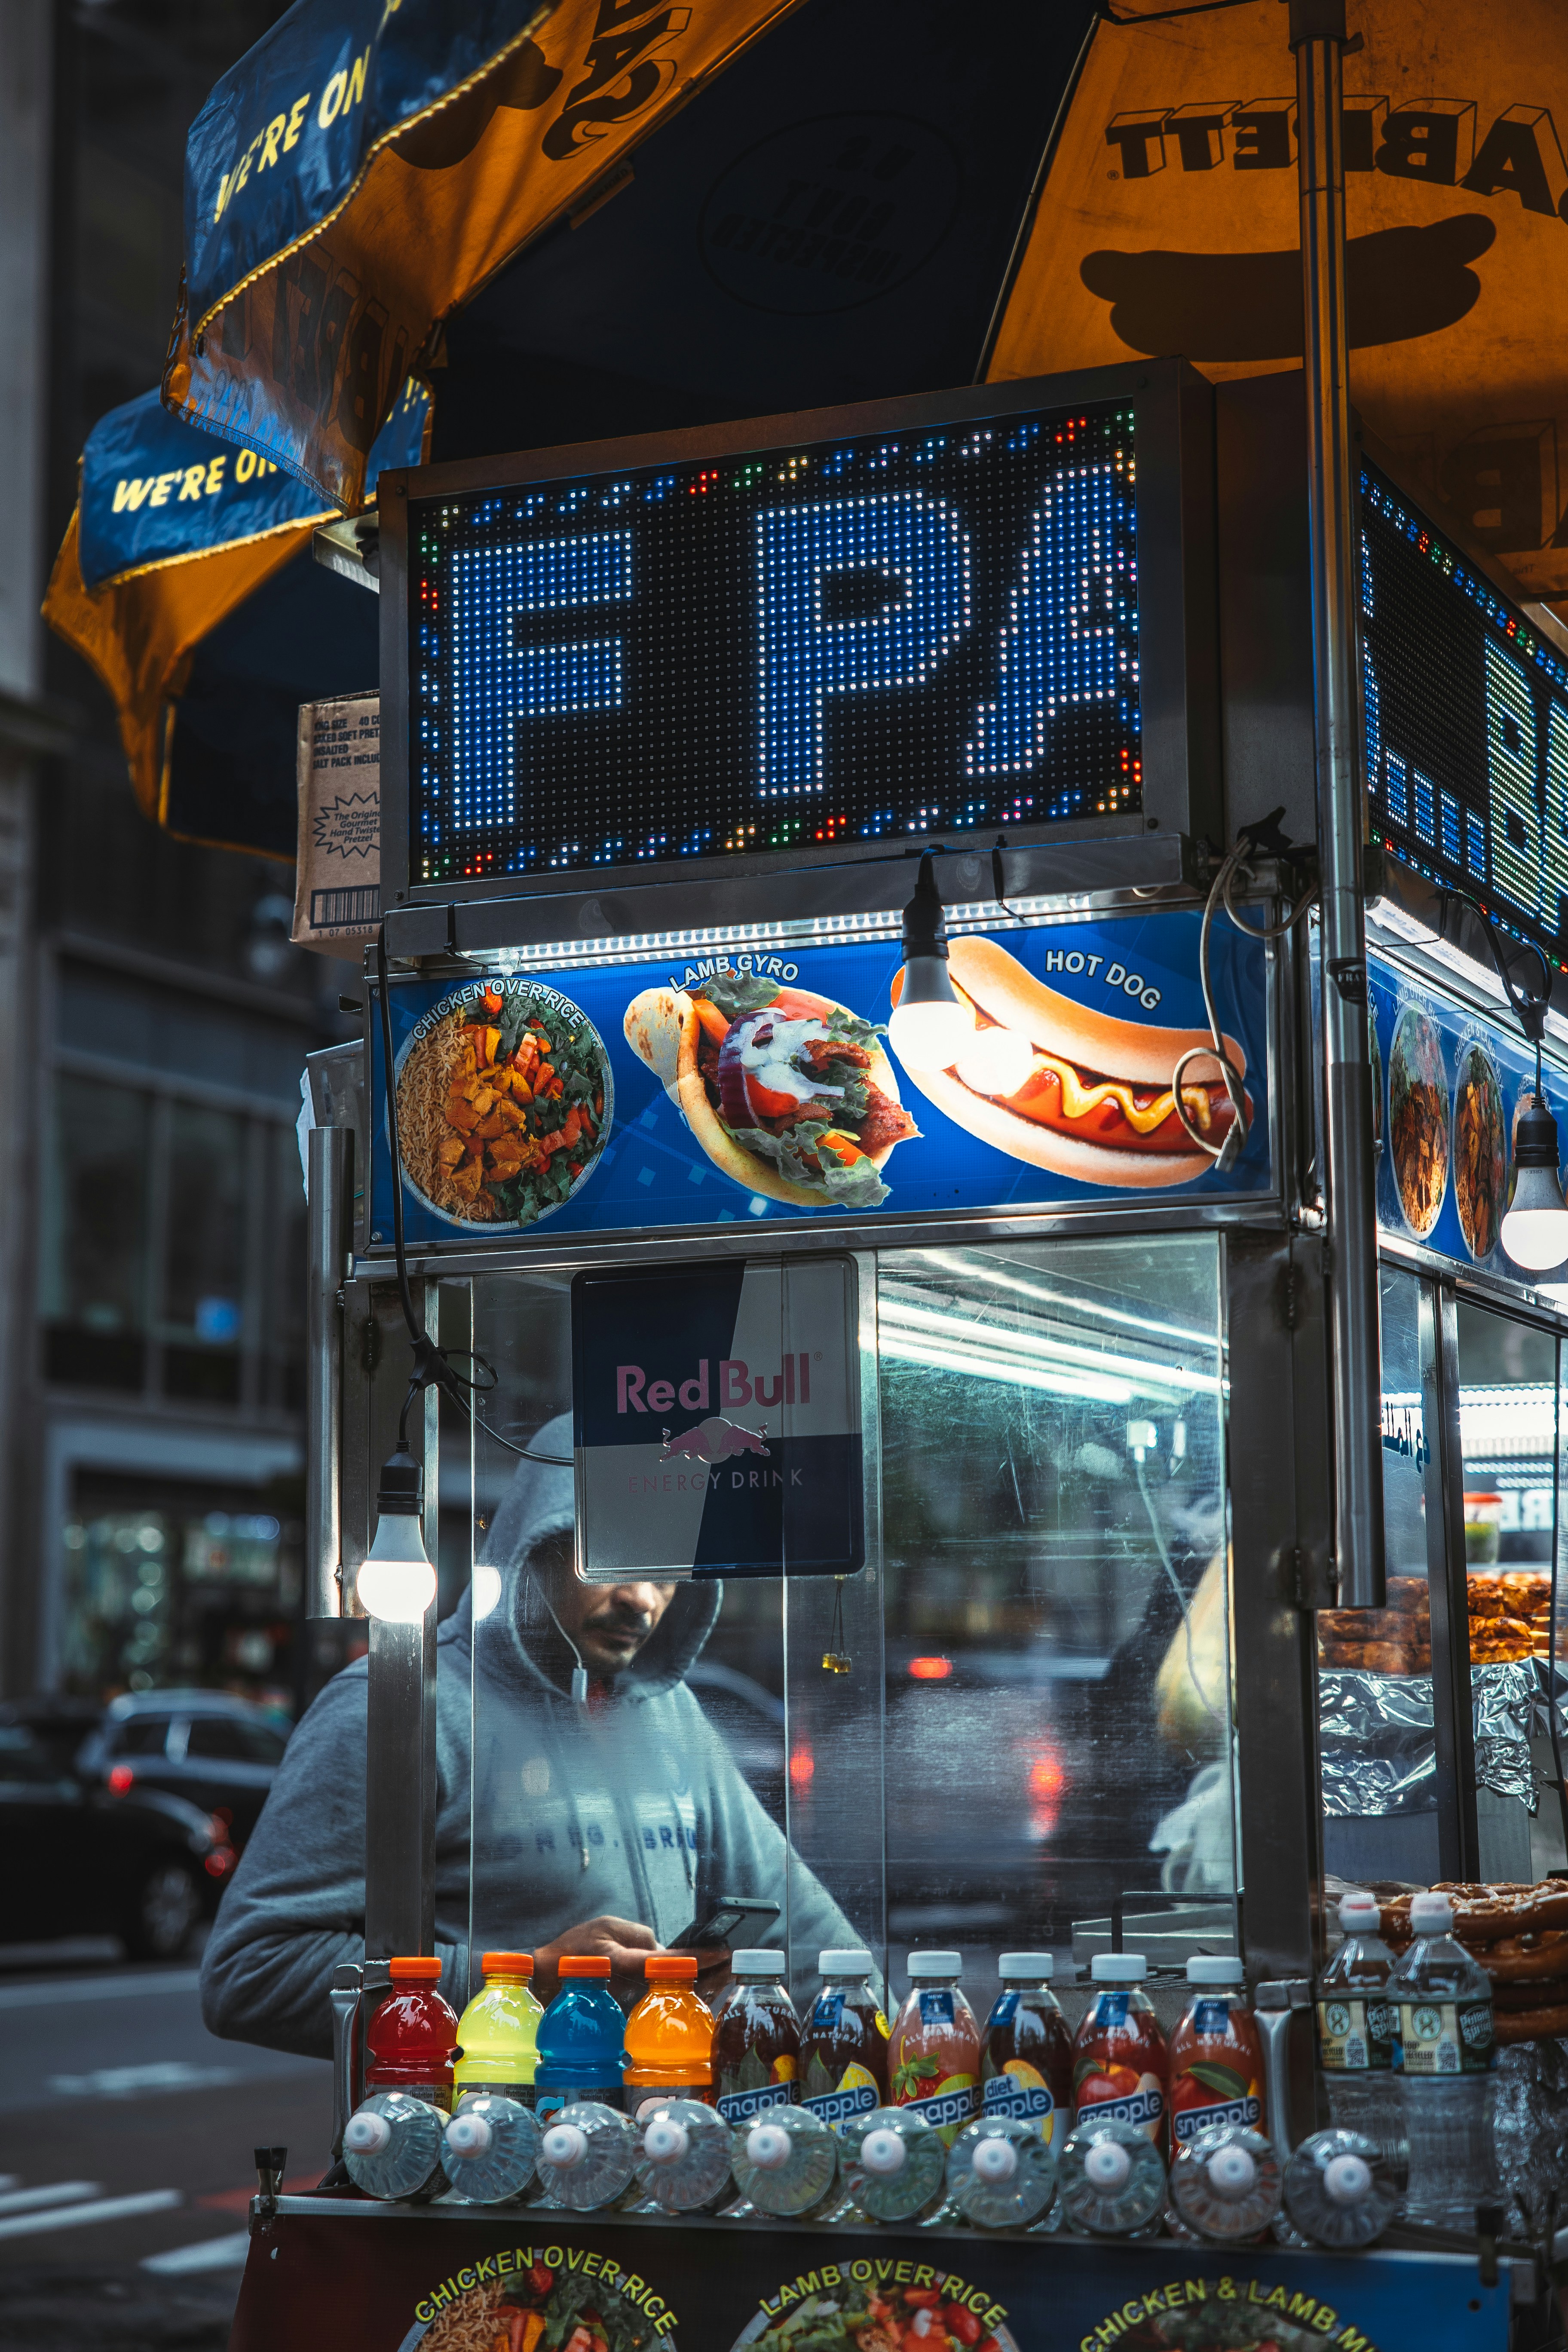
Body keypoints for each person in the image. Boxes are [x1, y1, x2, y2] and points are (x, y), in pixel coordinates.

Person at [201, 1414, 864, 2056]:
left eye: (665, 1569)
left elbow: (802, 1928)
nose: (644, 1599)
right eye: (611, 1559)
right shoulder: (401, 1710)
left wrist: (902, 2054)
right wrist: (529, 1980)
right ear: (537, 1545)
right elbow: (249, 1973)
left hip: (654, 2147)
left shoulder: (671, 1715)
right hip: (480, 2157)